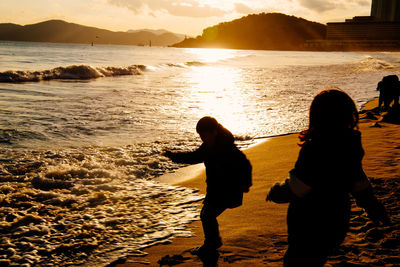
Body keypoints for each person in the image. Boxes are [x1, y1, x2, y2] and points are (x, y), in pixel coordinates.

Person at [266, 89, 390, 267]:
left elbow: (299, 187)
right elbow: (359, 183)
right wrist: (373, 207)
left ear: (316, 117)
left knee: (296, 261)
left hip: (310, 222)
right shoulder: (351, 146)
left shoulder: (314, 149)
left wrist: (275, 191)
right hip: (337, 219)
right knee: (318, 258)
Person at [164, 116, 252, 257]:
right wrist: (173, 156)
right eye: (200, 136)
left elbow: (245, 164)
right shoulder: (209, 146)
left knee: (207, 214)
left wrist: (245, 183)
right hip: (216, 190)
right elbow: (193, 157)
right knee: (207, 214)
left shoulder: (227, 148)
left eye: (204, 135)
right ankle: (213, 242)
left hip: (228, 190)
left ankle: (211, 244)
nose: (202, 139)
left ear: (214, 132)